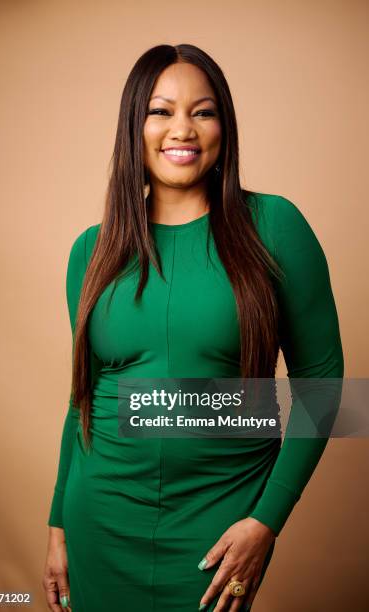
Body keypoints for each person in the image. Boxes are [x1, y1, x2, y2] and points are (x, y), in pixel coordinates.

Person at [42, 44, 344, 612]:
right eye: (161, 110)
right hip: (100, 517)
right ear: (135, 125)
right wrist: (58, 523)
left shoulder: (274, 225)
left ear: (224, 128)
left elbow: (324, 381)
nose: (183, 128)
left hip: (220, 522)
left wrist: (266, 521)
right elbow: (83, 398)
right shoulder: (92, 250)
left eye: (203, 112)